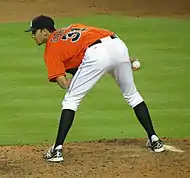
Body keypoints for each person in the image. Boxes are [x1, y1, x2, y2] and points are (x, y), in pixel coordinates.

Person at [25, 15, 164, 162]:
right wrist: (124, 60)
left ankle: (57, 149)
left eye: (34, 32)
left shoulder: (51, 48)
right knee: (132, 95)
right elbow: (98, 43)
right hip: (117, 44)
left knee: (71, 100)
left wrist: (78, 80)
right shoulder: (73, 27)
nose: (33, 35)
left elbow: (64, 83)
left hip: (97, 53)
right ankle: (154, 140)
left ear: (45, 31)